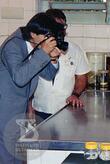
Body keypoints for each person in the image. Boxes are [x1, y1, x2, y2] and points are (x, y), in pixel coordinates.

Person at [0, 12, 62, 164]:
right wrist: (43, 53)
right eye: (46, 36)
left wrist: (53, 58)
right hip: (5, 104)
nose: (49, 40)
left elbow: (48, 75)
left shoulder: (35, 44)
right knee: (6, 149)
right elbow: (20, 78)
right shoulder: (12, 46)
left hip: (21, 104)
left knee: (16, 148)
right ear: (33, 34)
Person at [31, 9, 90, 123]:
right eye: (56, 26)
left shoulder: (74, 49)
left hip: (65, 109)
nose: (60, 30)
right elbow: (27, 79)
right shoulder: (36, 49)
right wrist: (29, 106)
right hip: (39, 108)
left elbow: (82, 77)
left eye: (62, 27)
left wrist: (75, 94)